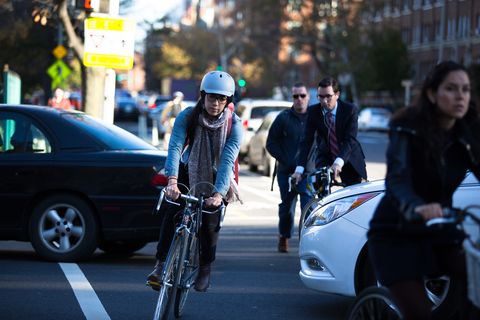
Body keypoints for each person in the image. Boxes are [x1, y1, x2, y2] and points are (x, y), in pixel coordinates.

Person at [368, 61, 480, 319]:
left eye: (465, 89)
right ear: (432, 93)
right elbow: (397, 179)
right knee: (419, 313)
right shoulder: (406, 126)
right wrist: (418, 206)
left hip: (438, 231)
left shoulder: (468, 135)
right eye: (451, 89)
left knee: (473, 287)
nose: (460, 96)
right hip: (396, 232)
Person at [147, 71, 242, 292]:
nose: (216, 103)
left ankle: (205, 268)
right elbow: (175, 147)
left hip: (218, 175)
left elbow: (228, 159)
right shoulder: (188, 116)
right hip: (187, 169)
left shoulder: (234, 125)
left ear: (227, 101)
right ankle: (160, 265)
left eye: (222, 99)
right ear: (203, 95)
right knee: (172, 212)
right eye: (212, 97)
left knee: (210, 222)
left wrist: (218, 194)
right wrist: (171, 181)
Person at [292, 77, 367, 187]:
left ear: (337, 95)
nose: (324, 101)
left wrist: (338, 162)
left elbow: (350, 140)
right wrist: (299, 170)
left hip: (349, 158)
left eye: (328, 96)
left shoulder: (350, 110)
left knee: (353, 198)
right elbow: (306, 141)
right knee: (321, 192)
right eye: (320, 97)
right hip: (325, 158)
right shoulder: (313, 112)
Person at [266, 82, 313, 252]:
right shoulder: (283, 117)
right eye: (295, 96)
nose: (299, 99)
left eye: (302, 95)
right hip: (286, 172)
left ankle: (307, 242)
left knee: (309, 206)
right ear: (292, 98)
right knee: (287, 207)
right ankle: (284, 236)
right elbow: (270, 143)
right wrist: (287, 160)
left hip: (308, 173)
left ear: (308, 96)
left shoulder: (314, 117)